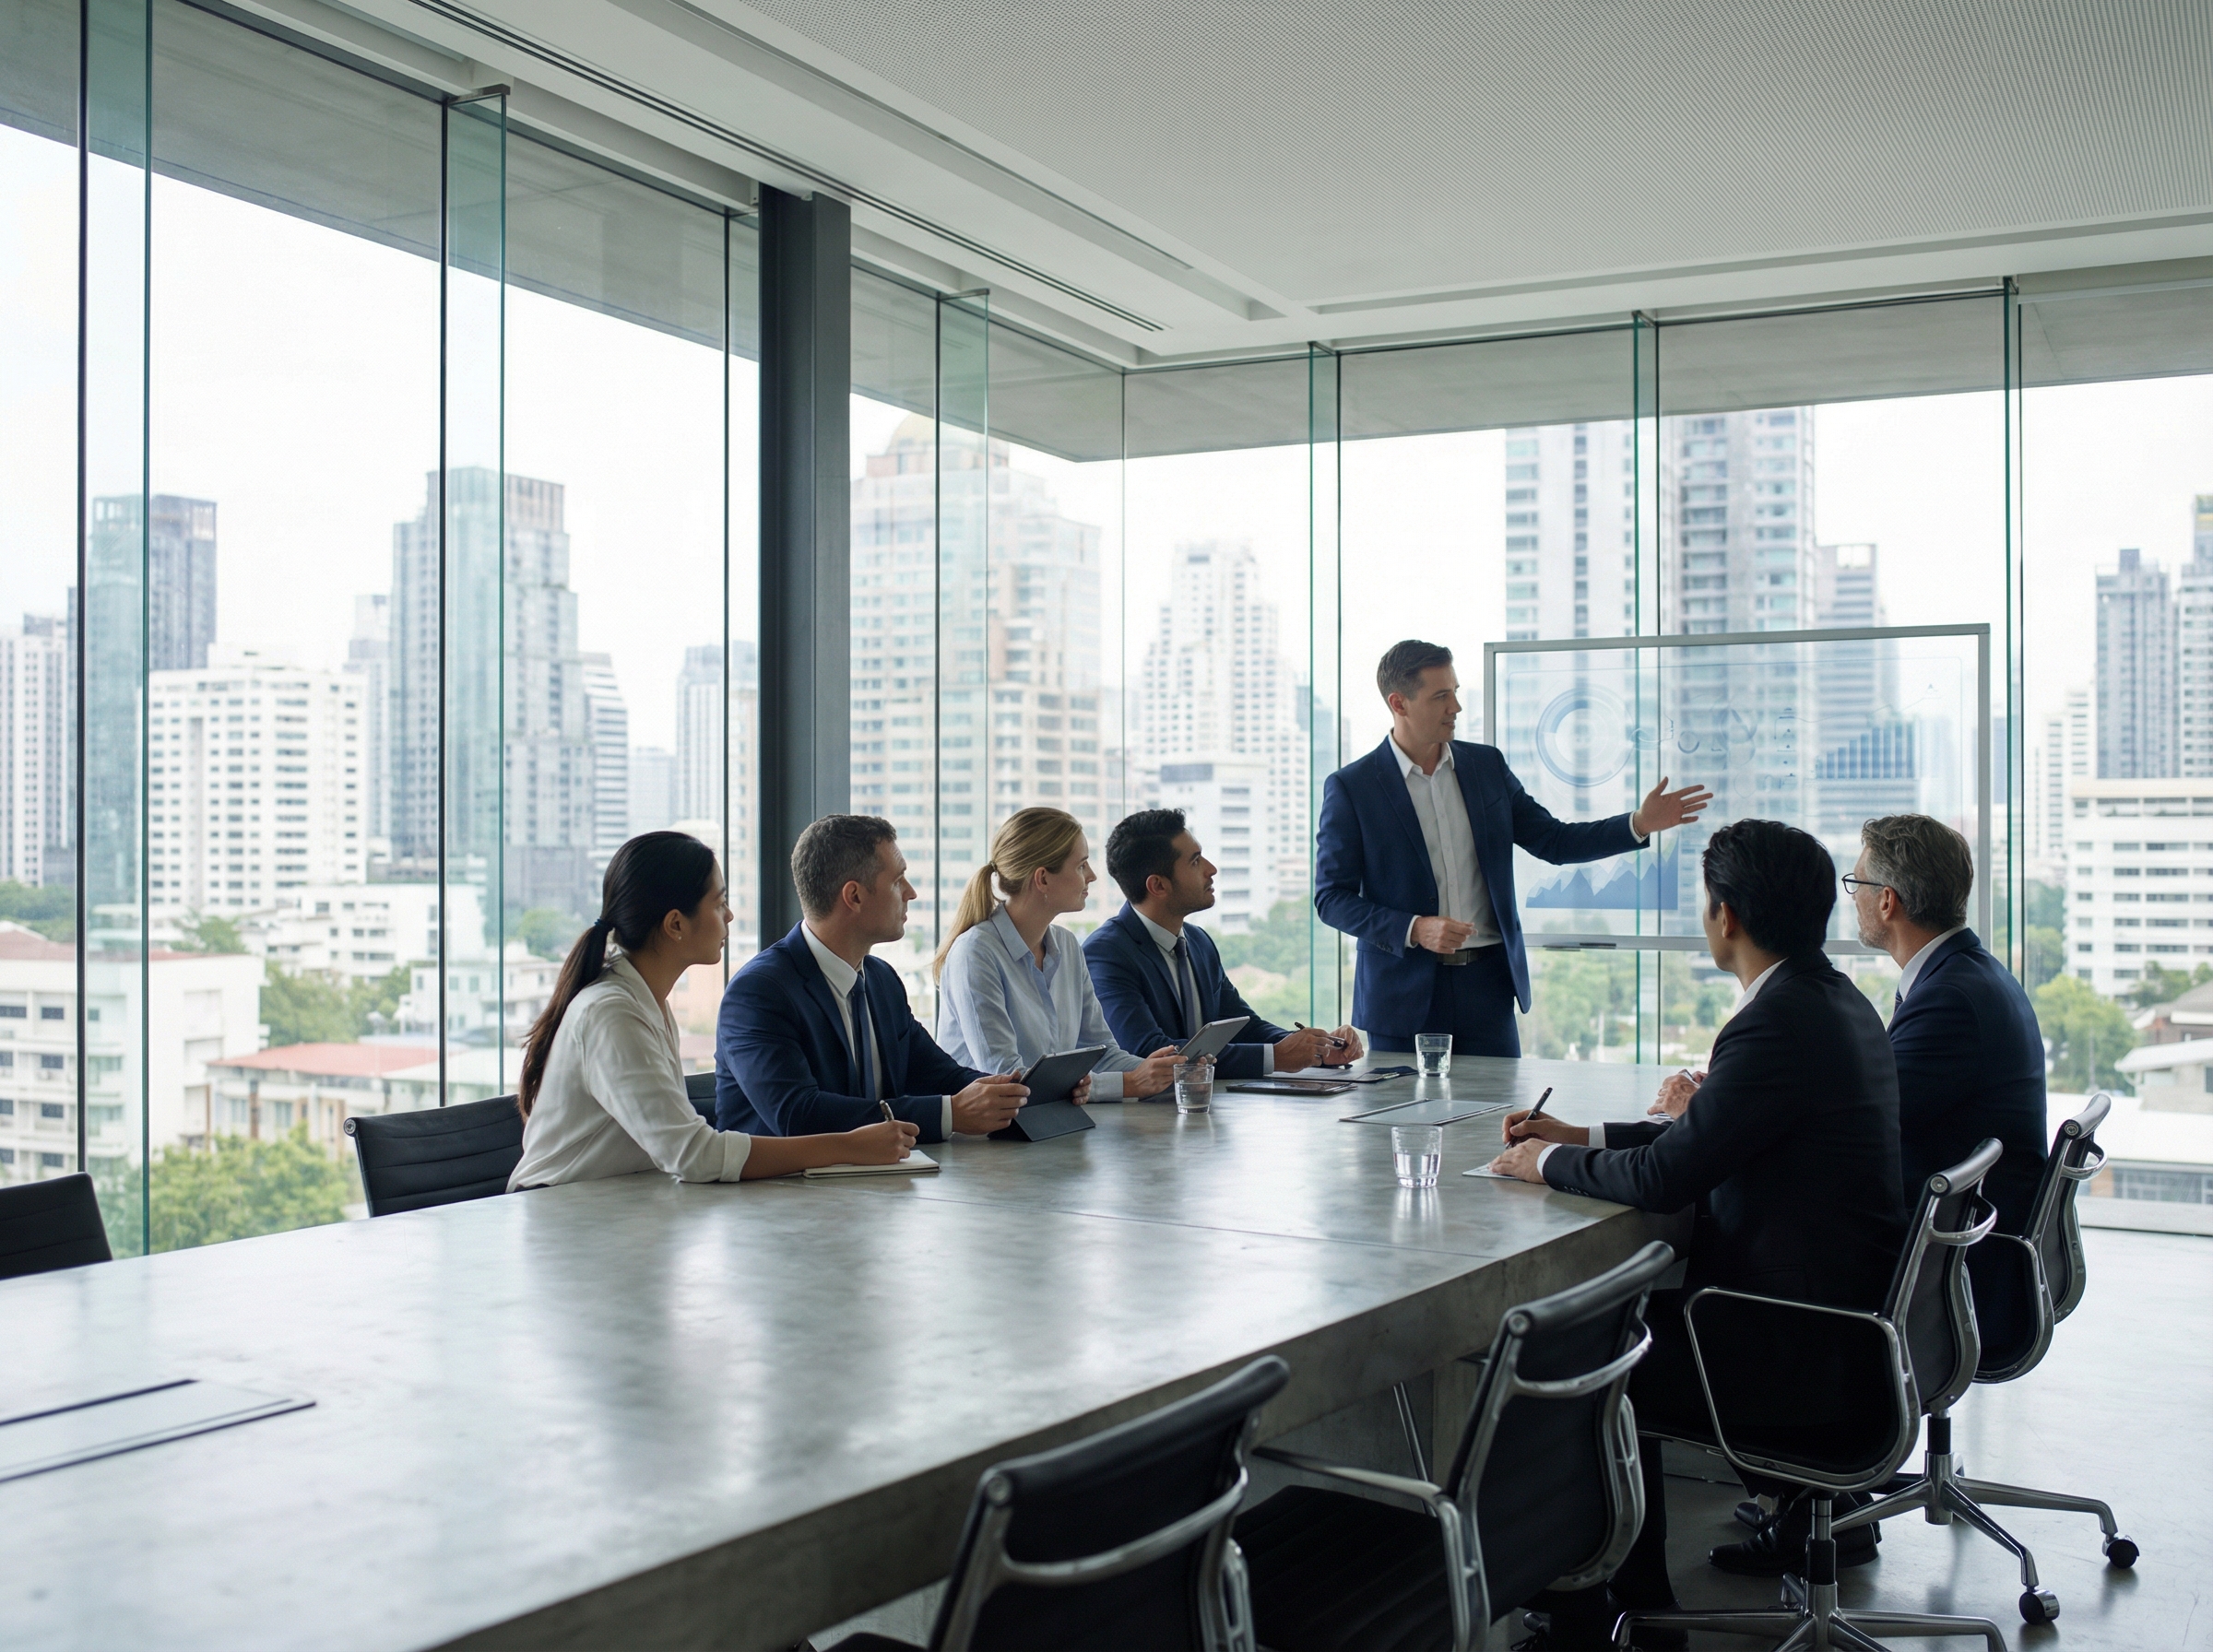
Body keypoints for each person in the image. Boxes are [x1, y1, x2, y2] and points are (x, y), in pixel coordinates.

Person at [1488, 820, 1907, 1637]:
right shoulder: (1828, 1000)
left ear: (1725, 916)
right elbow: (1713, 1132)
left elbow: (1667, 1177)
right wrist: (1579, 1138)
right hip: (1847, 1331)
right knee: (1624, 1330)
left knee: (1600, 1354)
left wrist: (1540, 1167)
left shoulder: (1774, 1022)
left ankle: (1610, 1602)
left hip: (1793, 1350)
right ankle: (1623, 1593)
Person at [1315, 639, 1710, 1058]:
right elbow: (1331, 898)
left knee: (1499, 1119)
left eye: (1456, 692)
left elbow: (1553, 840)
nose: (1456, 708)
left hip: (1489, 988)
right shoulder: (1352, 787)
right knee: (1406, 1122)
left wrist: (1638, 824)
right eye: (1441, 696)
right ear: (1399, 703)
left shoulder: (1486, 767)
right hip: (1401, 996)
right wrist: (1415, 928)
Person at [509, 832, 917, 1189]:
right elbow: (692, 1154)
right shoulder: (611, 1012)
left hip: (614, 1215)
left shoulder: (644, 1001)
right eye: (719, 903)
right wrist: (846, 1146)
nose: (730, 916)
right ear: (675, 925)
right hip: (560, 1218)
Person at [1848, 813, 2047, 1358]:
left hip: (1966, 1268)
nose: (1853, 898)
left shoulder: (1950, 999)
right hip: (1971, 1238)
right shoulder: (1965, 974)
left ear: (1887, 901)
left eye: (1857, 884)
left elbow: (1870, 1123)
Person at [716, 815, 1030, 1141]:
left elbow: (941, 1076)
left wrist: (1024, 1091)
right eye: (898, 881)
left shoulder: (881, 979)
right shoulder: (759, 992)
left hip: (875, 1183)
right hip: (781, 1189)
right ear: (854, 896)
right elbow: (798, 1115)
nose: (911, 893)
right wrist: (950, 1113)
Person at [1085, 808, 1361, 1079]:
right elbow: (1148, 1050)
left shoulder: (1199, 941)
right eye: (1195, 862)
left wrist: (1317, 1048)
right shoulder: (1106, 954)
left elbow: (1243, 1025)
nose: (1211, 869)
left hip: (1207, 1111)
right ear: (1158, 886)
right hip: (1146, 1119)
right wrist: (1277, 1057)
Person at [933, 808, 1181, 1100]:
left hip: (1049, 1127)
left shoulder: (1067, 945)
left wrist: (1171, 1073)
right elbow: (1007, 1078)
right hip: (985, 1138)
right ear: (1043, 879)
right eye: (1081, 866)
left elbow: (1102, 1053)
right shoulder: (975, 953)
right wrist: (1127, 1084)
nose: (1091, 876)